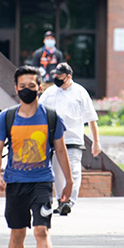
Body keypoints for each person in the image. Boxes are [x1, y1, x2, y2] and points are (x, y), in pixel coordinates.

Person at [0, 65, 72, 248]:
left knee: (41, 230)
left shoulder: (50, 116)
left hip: (42, 182)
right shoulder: (6, 117)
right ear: (16, 88)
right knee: (17, 233)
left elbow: (60, 149)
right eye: (23, 86)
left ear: (40, 87)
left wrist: (69, 181)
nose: (27, 89)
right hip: (15, 183)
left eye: (32, 86)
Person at [39, 62, 101, 215]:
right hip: (54, 140)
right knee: (57, 172)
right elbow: (38, 112)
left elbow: (91, 119)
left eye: (59, 76)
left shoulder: (80, 92)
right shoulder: (50, 92)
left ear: (68, 77)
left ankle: (69, 201)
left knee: (73, 171)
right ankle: (61, 200)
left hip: (73, 139)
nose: (56, 78)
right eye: (55, 75)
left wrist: (96, 142)